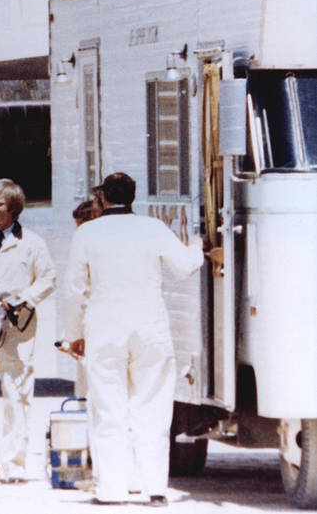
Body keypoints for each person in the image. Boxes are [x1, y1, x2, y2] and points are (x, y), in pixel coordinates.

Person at [64, 172, 203, 507]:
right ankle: (155, 488)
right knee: (152, 407)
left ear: (103, 198)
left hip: (104, 328)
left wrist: (75, 336)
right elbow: (184, 267)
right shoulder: (152, 228)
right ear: (133, 197)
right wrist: (197, 247)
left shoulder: (87, 232)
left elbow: (73, 290)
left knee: (109, 409)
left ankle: (111, 490)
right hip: (149, 327)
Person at [0, 177, 56, 482]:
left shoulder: (33, 243)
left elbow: (48, 279)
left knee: (17, 393)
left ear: (14, 208)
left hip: (18, 326)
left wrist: (21, 298)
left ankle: (15, 464)